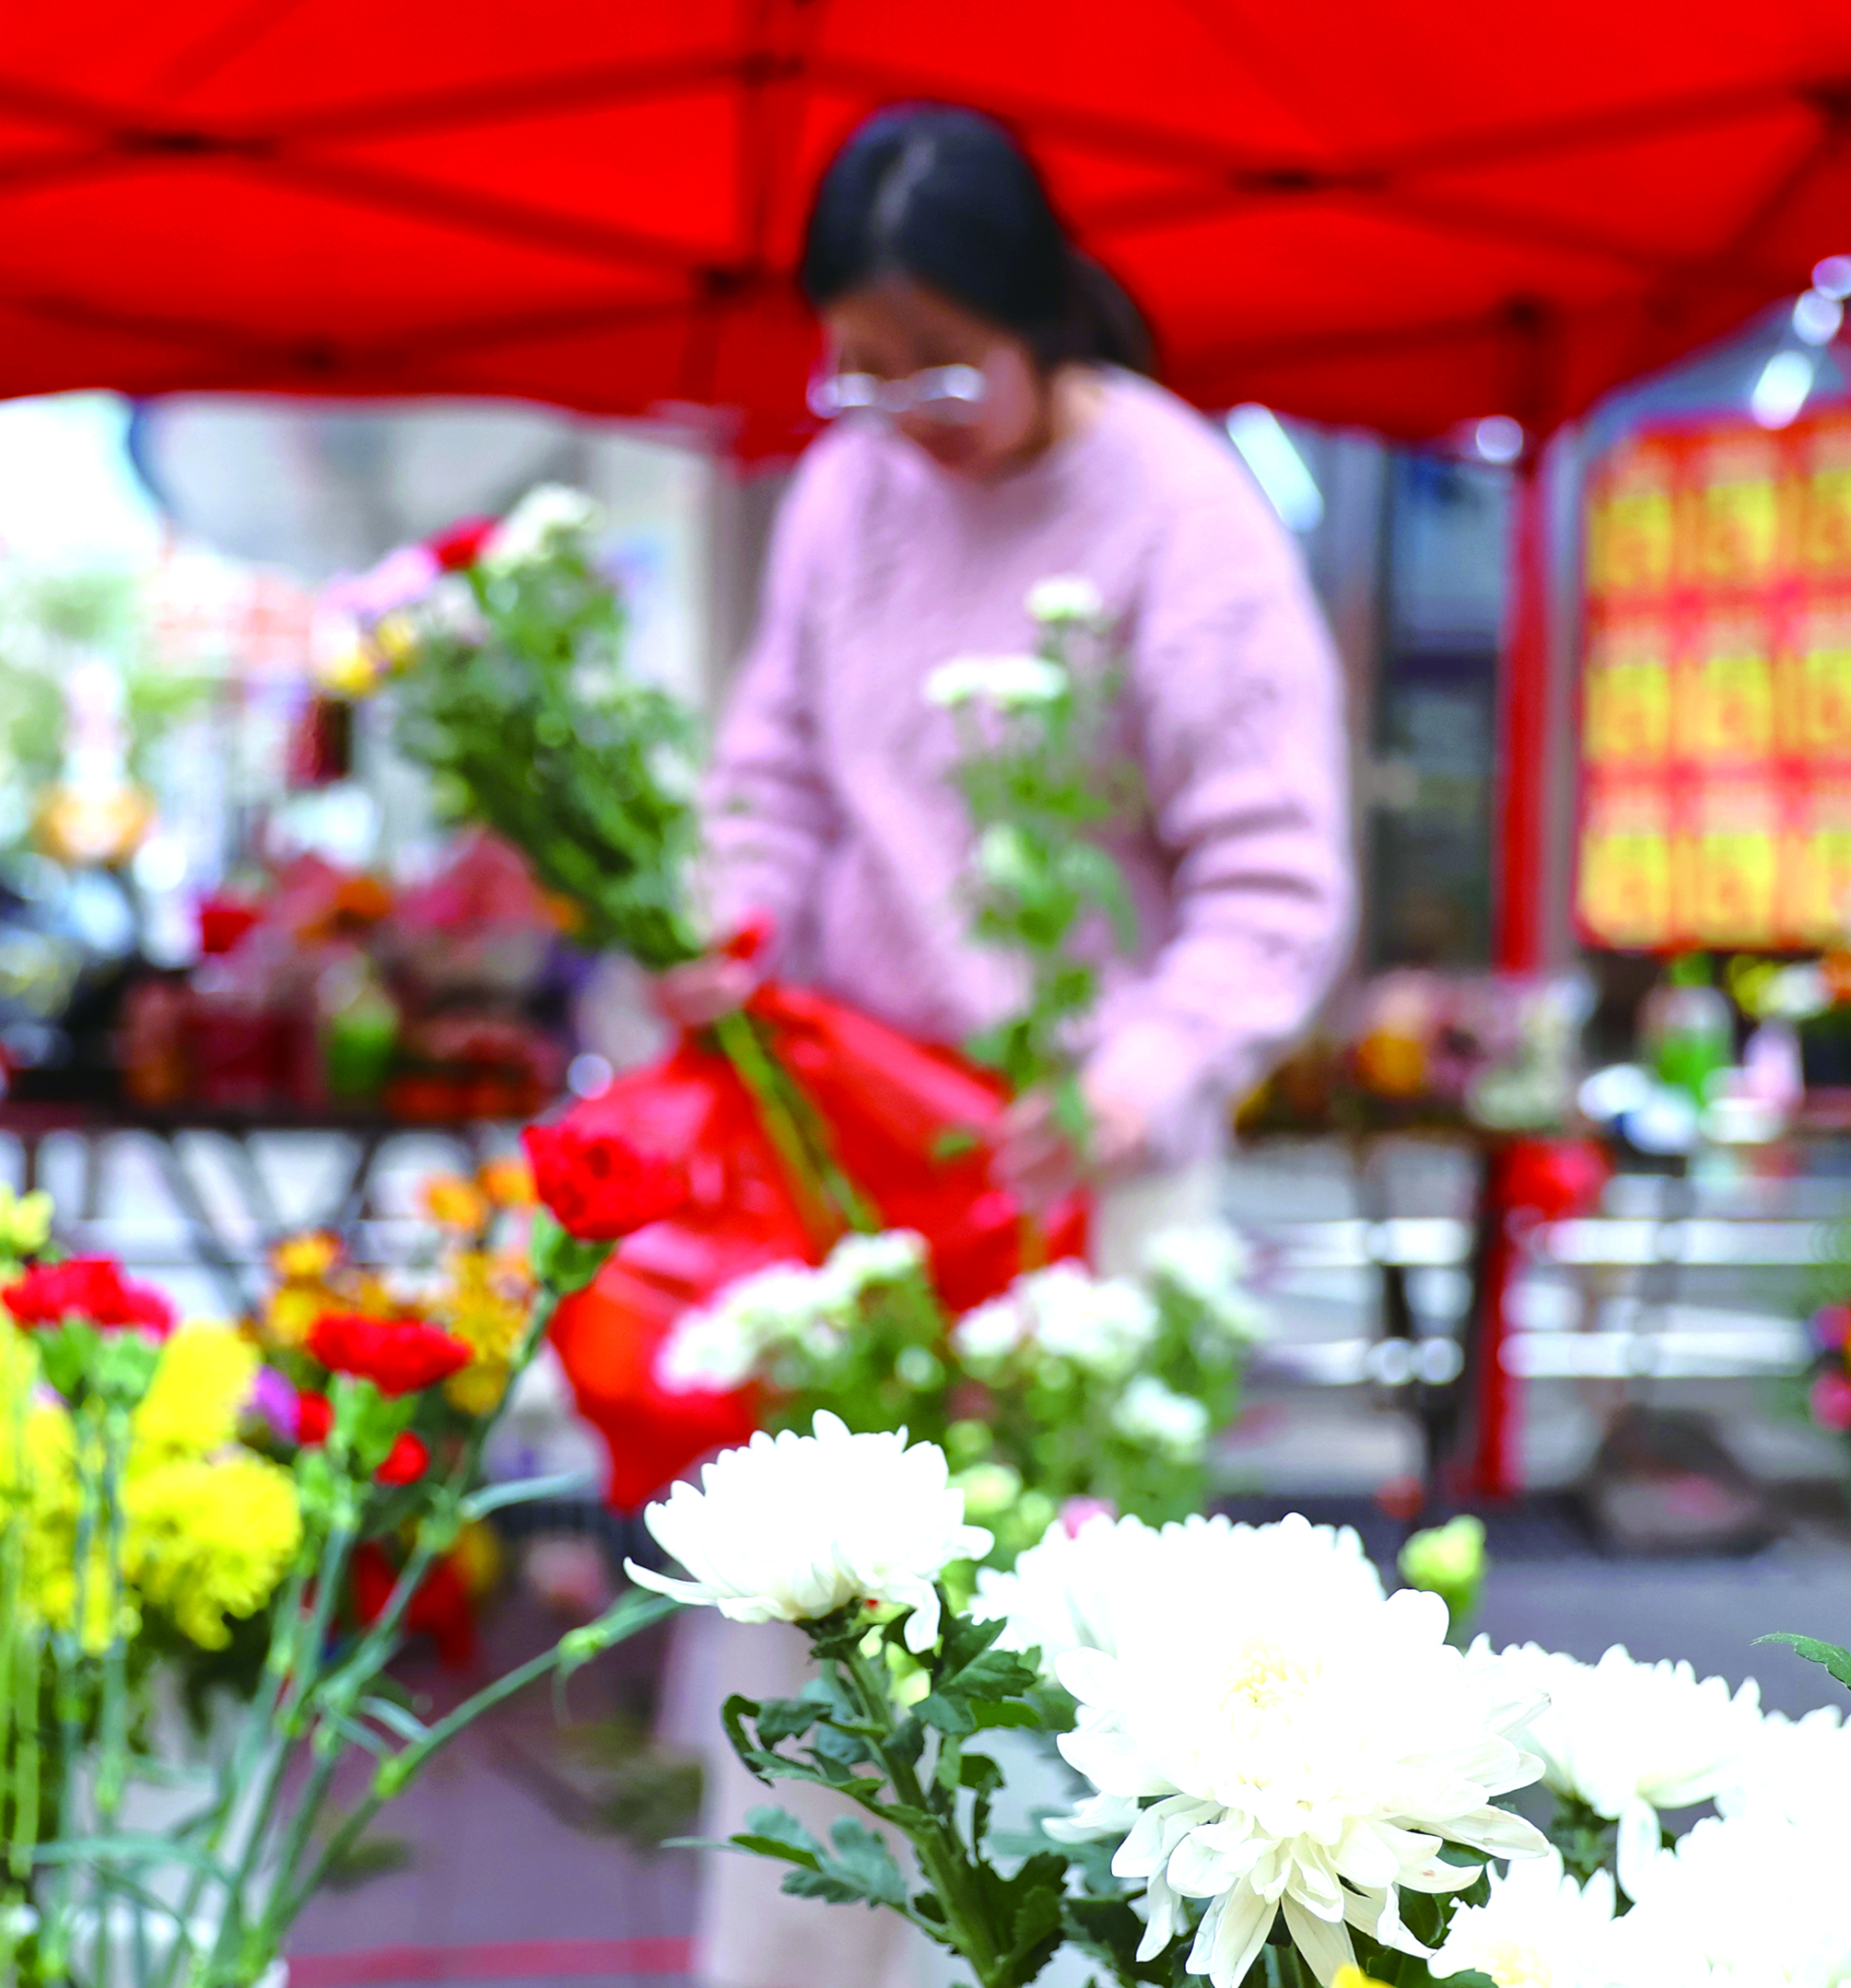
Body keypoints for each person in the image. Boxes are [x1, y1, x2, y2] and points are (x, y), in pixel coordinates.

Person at [656, 102, 1353, 1988]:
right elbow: (772, 774)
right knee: (811, 1635)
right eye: (858, 369)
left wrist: (1122, 1075)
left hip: (1087, 1165)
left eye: (937, 361)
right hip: (862, 1151)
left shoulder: (1180, 510)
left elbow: (1274, 879)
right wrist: (721, 934)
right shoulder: (845, 488)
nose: (899, 406)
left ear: (1042, 314)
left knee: (1067, 1654)